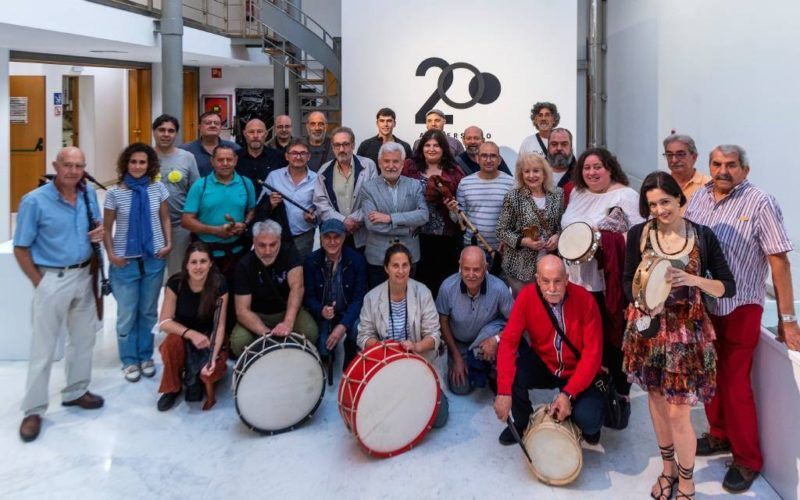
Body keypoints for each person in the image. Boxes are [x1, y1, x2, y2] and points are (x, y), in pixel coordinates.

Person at [685, 144, 797, 493]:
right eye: (717, 164)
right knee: (708, 377)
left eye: (731, 165)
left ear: (744, 170)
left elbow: (779, 261)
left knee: (735, 386)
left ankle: (748, 459)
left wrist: (788, 318)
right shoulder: (700, 197)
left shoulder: (761, 202)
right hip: (705, 304)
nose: (723, 171)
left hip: (741, 306)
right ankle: (719, 435)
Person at [622, 171, 736, 500]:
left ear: (679, 199)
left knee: (679, 411)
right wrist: (646, 304)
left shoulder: (702, 236)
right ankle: (667, 469)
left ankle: (687, 481)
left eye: (665, 201)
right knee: (657, 401)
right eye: (652, 204)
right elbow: (628, 283)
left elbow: (728, 287)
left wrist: (692, 279)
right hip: (650, 329)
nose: (659, 209)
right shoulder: (639, 234)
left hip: (686, 332)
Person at [14, 147, 105, 442]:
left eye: (79, 166)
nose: (73, 171)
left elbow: (96, 229)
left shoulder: (88, 194)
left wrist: (99, 233)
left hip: (84, 274)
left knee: (82, 340)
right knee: (44, 348)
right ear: (56, 165)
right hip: (52, 278)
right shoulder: (35, 201)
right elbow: (21, 247)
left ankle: (76, 390)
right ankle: (34, 409)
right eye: (68, 165)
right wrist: (39, 282)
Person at [560, 147, 645, 422]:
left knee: (611, 340)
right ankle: (589, 390)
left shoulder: (625, 195)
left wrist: (604, 242)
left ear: (610, 168)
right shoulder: (576, 192)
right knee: (581, 340)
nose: (592, 172)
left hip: (604, 283)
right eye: (586, 167)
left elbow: (638, 238)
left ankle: (618, 395)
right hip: (573, 280)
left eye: (597, 167)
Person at [494, 255, 605, 445]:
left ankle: (578, 417)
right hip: (546, 364)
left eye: (557, 281)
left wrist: (568, 394)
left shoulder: (585, 301)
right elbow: (508, 343)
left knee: (590, 423)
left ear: (567, 279)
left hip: (577, 370)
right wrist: (503, 391)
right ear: (537, 279)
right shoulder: (527, 297)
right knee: (515, 374)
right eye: (545, 281)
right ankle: (523, 423)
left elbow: (592, 355)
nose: (552, 288)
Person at [357, 243, 447, 427]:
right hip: (385, 364)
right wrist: (384, 349)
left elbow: (434, 335)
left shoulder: (423, 293)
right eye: (395, 265)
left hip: (418, 361)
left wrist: (416, 346)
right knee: (377, 418)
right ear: (386, 268)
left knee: (439, 419)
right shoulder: (371, 297)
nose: (400, 271)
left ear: (410, 267)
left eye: (405, 265)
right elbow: (363, 335)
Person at [103, 143, 171, 382]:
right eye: (133, 162)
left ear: (150, 164)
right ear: (126, 164)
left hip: (154, 258)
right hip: (125, 261)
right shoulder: (114, 193)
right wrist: (111, 254)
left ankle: (145, 356)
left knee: (148, 311)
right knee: (127, 313)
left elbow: (164, 218)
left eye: (142, 162)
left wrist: (168, 243)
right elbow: (107, 227)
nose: (138, 166)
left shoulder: (158, 189)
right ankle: (129, 360)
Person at [155, 242, 228, 412]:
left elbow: (220, 325)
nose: (198, 267)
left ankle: (193, 376)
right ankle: (172, 388)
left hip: (210, 337)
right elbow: (164, 322)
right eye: (193, 262)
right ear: (186, 265)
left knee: (210, 375)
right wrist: (191, 334)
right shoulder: (176, 283)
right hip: (184, 334)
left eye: (203, 261)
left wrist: (212, 357)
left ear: (210, 263)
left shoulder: (219, 284)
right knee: (171, 344)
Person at [229, 220, 318, 358]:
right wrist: (268, 335)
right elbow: (242, 311)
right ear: (254, 241)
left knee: (310, 332)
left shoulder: (290, 252)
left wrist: (288, 323)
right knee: (239, 342)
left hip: (285, 310)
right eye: (262, 245)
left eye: (273, 244)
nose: (268, 251)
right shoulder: (244, 264)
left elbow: (297, 288)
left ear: (280, 240)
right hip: (257, 315)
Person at [437, 246, 513, 395]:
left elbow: (516, 322)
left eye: (477, 269)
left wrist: (496, 340)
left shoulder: (499, 288)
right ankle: (478, 365)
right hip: (459, 344)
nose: (471, 275)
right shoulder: (447, 287)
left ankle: (491, 367)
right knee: (460, 388)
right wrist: (456, 356)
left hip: (488, 339)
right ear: (460, 266)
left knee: (509, 380)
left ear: (485, 267)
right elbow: (442, 322)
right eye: (466, 269)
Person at [403, 128, 466, 296]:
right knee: (419, 282)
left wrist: (453, 207)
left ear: (444, 149)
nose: (431, 149)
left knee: (443, 284)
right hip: (416, 236)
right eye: (428, 145)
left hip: (445, 237)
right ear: (421, 147)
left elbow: (462, 209)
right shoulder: (410, 168)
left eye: (436, 145)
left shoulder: (454, 172)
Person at [303, 219, 368, 372]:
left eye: (336, 237)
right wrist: (321, 310)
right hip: (324, 314)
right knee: (324, 349)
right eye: (327, 237)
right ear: (321, 238)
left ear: (344, 237)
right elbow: (308, 297)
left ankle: (350, 354)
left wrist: (343, 325)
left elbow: (359, 299)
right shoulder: (311, 261)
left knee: (357, 329)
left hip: (348, 312)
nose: (332, 242)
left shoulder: (357, 260)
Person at [361, 142, 428, 288]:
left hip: (409, 256)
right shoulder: (368, 188)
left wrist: (390, 218)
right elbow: (372, 225)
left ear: (402, 164)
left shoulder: (414, 185)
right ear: (379, 162)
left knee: (408, 301)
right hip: (378, 258)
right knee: (378, 303)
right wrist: (407, 228)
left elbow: (423, 215)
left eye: (395, 161)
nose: (391, 166)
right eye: (386, 161)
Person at [181, 145, 256, 276]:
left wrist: (244, 225)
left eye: (229, 159)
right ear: (212, 161)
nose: (225, 164)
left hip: (238, 252)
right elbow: (186, 221)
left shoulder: (246, 183)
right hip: (206, 255)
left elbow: (251, 210)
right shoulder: (200, 185)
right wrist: (215, 230)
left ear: (236, 160)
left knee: (236, 293)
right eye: (220, 160)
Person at [496, 153, 564, 297]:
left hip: (550, 263)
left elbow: (561, 224)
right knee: (526, 308)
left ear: (544, 173)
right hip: (520, 268)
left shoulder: (557, 194)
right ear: (521, 174)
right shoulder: (513, 197)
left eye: (536, 170)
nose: (531, 175)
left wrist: (558, 236)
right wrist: (523, 241)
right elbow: (501, 230)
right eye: (527, 171)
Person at [314, 126, 378, 250]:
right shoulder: (324, 171)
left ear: (353, 145)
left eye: (345, 144)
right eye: (337, 145)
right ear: (332, 147)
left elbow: (374, 198)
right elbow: (320, 203)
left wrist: (355, 220)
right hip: (335, 236)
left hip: (363, 237)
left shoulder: (369, 166)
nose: (341, 149)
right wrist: (343, 221)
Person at [153, 114, 200, 278]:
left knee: (177, 276)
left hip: (180, 227)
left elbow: (196, 192)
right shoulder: (144, 157)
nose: (166, 134)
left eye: (171, 131)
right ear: (154, 132)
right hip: (150, 227)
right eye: (162, 130)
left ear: (176, 134)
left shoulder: (187, 158)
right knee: (152, 277)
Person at [454, 141, 515, 258]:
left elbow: (516, 218)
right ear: (477, 159)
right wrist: (452, 210)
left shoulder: (511, 183)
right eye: (484, 156)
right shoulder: (465, 183)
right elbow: (460, 220)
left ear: (499, 160)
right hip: (472, 247)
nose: (488, 160)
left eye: (493, 156)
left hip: (502, 249)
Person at [263, 139, 318, 258]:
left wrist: (314, 216)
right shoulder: (274, 176)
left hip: (303, 237)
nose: (298, 157)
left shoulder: (317, 179)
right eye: (294, 153)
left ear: (308, 157)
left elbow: (321, 207)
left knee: (301, 272)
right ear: (287, 156)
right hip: (277, 237)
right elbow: (260, 206)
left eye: (302, 153)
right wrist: (269, 204)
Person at [662, 134, 711, 214]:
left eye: (680, 155)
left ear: (694, 157)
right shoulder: (660, 184)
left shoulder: (709, 185)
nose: (674, 160)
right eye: (669, 155)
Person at [180, 111, 240, 177]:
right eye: (208, 123)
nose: (213, 125)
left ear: (220, 127)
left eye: (216, 123)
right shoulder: (185, 150)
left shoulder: (234, 148)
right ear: (199, 127)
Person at [236, 118, 286, 188]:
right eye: (251, 132)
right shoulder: (235, 158)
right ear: (244, 134)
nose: (255, 136)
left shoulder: (279, 158)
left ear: (266, 134)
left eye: (259, 132)